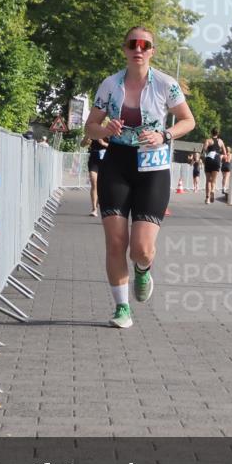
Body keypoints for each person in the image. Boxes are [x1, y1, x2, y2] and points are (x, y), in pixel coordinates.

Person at [84, 26, 195, 329]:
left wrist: (165, 134)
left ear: (152, 51)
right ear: (124, 49)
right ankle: (122, 308)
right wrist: (105, 130)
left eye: (145, 45)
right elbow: (89, 127)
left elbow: (188, 120)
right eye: (133, 44)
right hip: (117, 162)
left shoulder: (165, 84)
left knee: (141, 249)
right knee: (115, 242)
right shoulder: (110, 85)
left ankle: (144, 269)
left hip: (152, 165)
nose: (138, 49)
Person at [82, 135, 109, 217]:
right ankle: (94, 209)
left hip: (106, 158)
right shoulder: (93, 131)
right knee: (94, 183)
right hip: (94, 158)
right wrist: (86, 138)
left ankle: (101, 204)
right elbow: (82, 144)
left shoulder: (109, 130)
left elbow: (116, 147)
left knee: (103, 185)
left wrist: (104, 143)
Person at [202, 128, 227, 203]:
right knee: (213, 180)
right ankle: (213, 190)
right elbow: (225, 153)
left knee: (208, 180)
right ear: (218, 133)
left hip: (209, 159)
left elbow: (204, 151)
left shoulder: (208, 140)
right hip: (217, 159)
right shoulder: (221, 141)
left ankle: (207, 198)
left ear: (211, 133)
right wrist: (221, 156)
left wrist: (204, 158)